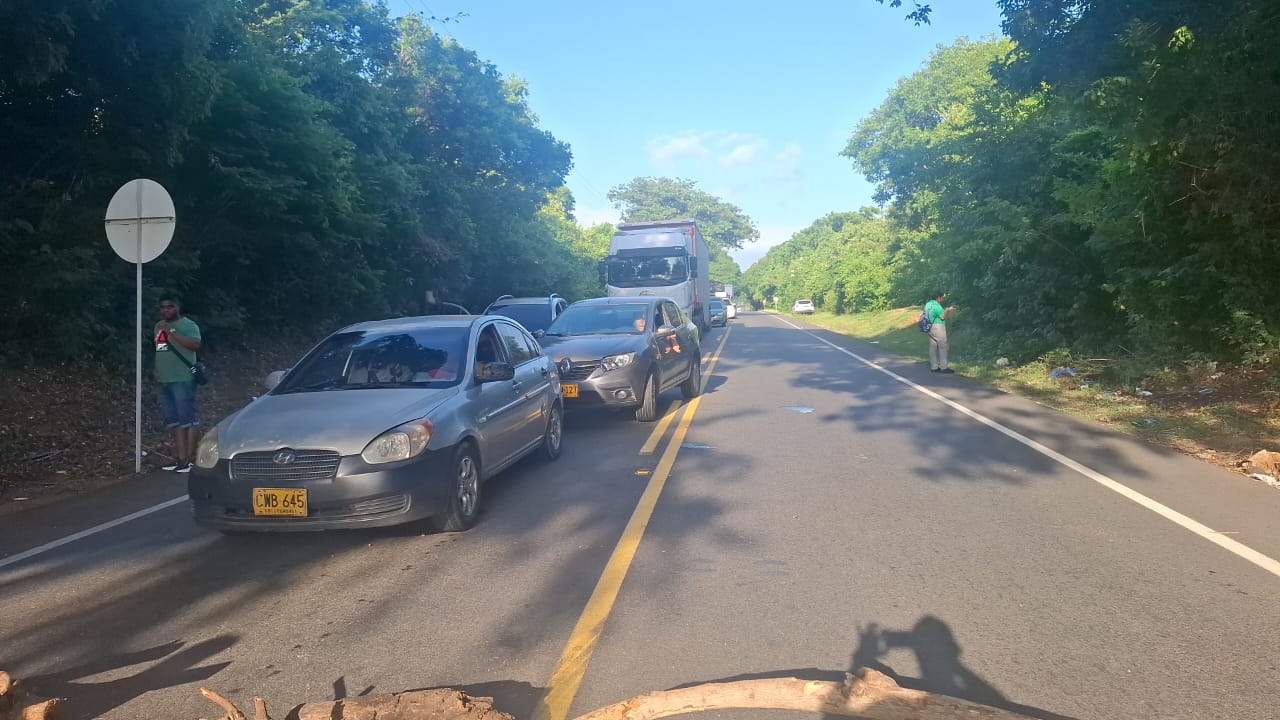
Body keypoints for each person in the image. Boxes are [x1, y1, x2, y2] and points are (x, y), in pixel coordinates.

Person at [154, 299, 202, 472]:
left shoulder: (189, 325)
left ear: (178, 308)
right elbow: (161, 348)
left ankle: (189, 459)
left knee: (188, 419)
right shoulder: (159, 326)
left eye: (170, 307)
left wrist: (172, 332)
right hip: (165, 380)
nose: (166, 310)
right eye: (163, 308)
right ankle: (180, 459)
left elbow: (195, 345)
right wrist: (157, 369)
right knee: (174, 421)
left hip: (184, 378)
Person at [925, 292, 955, 374]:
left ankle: (934, 367)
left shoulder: (928, 304)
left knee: (933, 347)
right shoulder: (937, 306)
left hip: (929, 327)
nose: (942, 299)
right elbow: (943, 317)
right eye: (941, 297)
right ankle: (943, 367)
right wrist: (948, 311)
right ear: (938, 298)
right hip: (938, 327)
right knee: (943, 346)